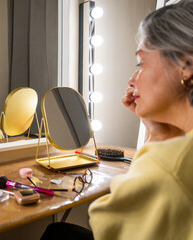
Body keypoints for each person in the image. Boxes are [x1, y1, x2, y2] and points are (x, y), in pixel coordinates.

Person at [41, 0, 193, 239]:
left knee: (57, 234)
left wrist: (160, 138)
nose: (132, 80)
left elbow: (107, 225)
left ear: (186, 65)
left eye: (141, 63)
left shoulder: (171, 162)